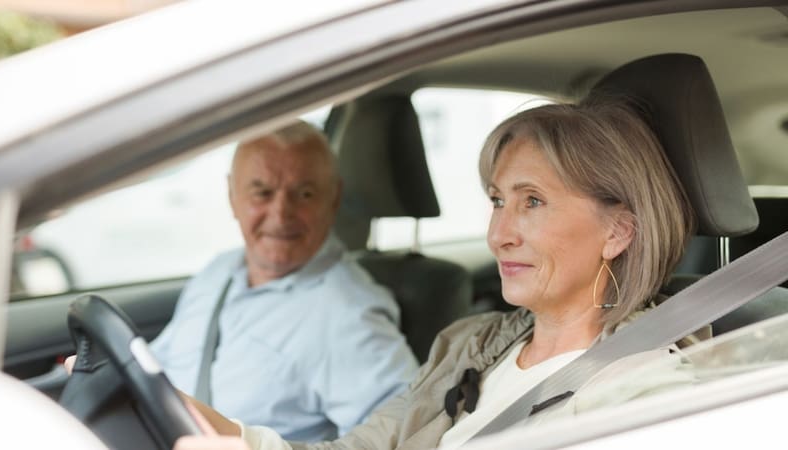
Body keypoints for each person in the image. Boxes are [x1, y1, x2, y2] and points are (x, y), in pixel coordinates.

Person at [173, 97, 700, 450]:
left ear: (618, 232)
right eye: (498, 201)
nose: (500, 234)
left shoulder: (644, 390)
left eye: (533, 202)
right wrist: (213, 429)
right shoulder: (470, 347)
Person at [147, 120, 419, 442]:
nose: (280, 214)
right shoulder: (219, 271)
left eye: (304, 194)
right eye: (262, 192)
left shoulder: (349, 314)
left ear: (333, 200)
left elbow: (405, 435)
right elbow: (158, 366)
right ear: (232, 195)